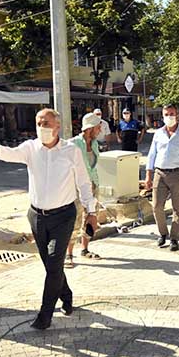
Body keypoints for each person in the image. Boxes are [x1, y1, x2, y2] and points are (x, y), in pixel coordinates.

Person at [0, 109, 98, 330]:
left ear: (57, 127)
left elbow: (83, 183)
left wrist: (90, 212)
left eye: (46, 123)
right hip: (37, 216)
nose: (41, 127)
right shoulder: (30, 148)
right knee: (50, 265)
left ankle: (45, 316)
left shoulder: (71, 151)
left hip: (63, 215)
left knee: (54, 264)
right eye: (38, 123)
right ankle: (66, 294)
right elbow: (12, 154)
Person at [145, 104, 179, 252]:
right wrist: (148, 175)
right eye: (166, 114)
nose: (169, 117)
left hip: (178, 174)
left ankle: (174, 238)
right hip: (160, 173)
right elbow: (152, 154)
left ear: (178, 115)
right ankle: (162, 233)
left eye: (172, 114)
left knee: (178, 208)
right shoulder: (158, 134)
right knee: (156, 206)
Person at [66, 113, 103, 267]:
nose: (100, 130)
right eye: (98, 127)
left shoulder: (94, 143)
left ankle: (85, 249)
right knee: (73, 220)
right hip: (77, 188)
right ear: (90, 129)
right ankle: (68, 254)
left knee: (90, 219)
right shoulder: (72, 144)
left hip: (93, 185)